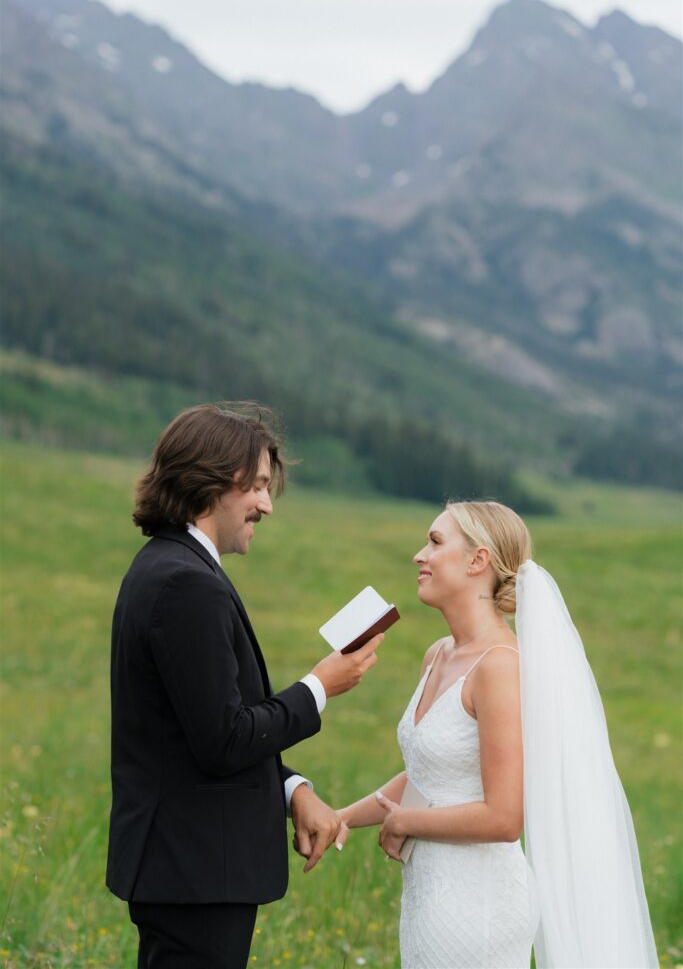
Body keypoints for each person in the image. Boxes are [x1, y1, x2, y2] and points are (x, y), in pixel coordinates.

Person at [105, 402, 383, 969]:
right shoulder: (188, 583)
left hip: (187, 870)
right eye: (257, 486)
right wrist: (320, 687)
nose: (266, 505)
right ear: (212, 481)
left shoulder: (167, 566)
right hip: (195, 872)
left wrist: (291, 790)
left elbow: (193, 730)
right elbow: (224, 739)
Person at [335, 500, 658, 969]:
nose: (418, 555)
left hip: (478, 904)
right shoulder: (438, 655)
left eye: (435, 542)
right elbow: (428, 774)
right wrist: (341, 818)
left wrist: (406, 823)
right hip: (430, 895)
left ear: (477, 560)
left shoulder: (501, 667)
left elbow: (504, 817)